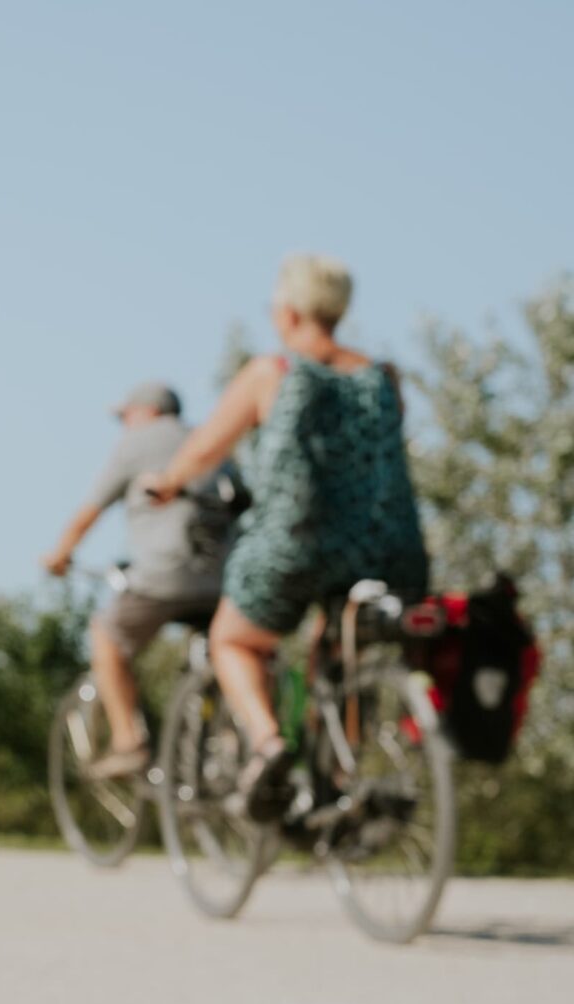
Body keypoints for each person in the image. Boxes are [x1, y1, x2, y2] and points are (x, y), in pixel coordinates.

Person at [142, 254, 428, 818]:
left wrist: (166, 483)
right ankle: (339, 779)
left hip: (298, 543)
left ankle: (269, 745)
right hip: (385, 548)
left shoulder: (273, 371)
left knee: (234, 639)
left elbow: (205, 450)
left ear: (291, 311)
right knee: (338, 651)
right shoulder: (383, 377)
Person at [42, 381, 236, 779]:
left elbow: (89, 511)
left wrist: (60, 555)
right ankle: (232, 742)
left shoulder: (138, 443)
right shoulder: (211, 442)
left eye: (125, 417)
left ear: (145, 412)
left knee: (107, 637)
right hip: (223, 582)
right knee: (228, 654)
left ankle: (129, 740)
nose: (124, 426)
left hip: (166, 576)